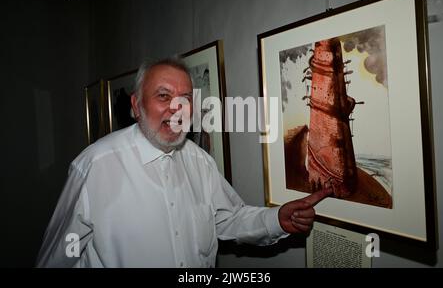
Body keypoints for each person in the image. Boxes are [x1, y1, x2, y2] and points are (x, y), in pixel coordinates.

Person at [36, 58, 332, 268]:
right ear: (136, 106)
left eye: (185, 99)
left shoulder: (198, 160)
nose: (177, 108)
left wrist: (276, 219)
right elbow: (56, 259)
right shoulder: (95, 167)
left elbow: (227, 218)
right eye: (163, 95)